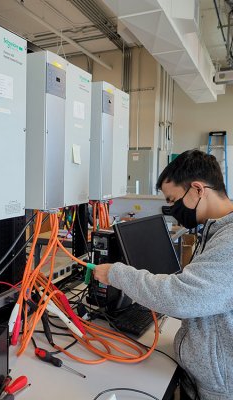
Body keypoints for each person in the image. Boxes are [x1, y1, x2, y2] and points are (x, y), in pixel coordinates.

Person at [93, 150, 233, 400]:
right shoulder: (214, 230)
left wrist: (116, 273)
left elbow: (182, 297)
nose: (172, 208)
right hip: (204, 376)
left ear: (198, 190)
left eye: (173, 200)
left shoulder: (229, 241)